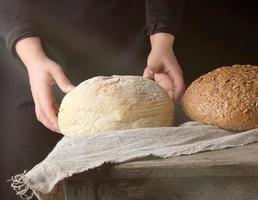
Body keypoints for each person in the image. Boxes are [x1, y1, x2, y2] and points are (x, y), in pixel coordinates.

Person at [0, 0, 185, 199]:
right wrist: (32, 57)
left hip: (137, 52)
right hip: (33, 60)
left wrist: (162, 37)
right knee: (27, 173)